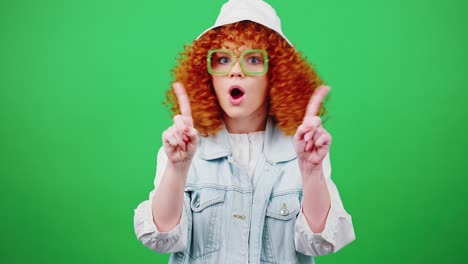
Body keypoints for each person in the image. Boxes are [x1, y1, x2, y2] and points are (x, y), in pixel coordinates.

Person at [134, 0, 355, 263]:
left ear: (275, 73)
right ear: (208, 75)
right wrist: (177, 168)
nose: (235, 71)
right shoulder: (181, 150)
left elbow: (321, 242)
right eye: (223, 59)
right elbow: (161, 239)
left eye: (252, 59)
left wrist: (311, 173)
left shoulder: (303, 151)